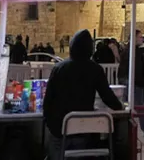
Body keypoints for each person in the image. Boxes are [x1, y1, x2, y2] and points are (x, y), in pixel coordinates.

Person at [42, 29, 124, 159]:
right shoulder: (95, 69)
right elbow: (107, 97)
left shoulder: (58, 69)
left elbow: (47, 102)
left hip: (59, 131)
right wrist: (121, 107)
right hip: (84, 132)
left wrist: (51, 125)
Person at [118, 30, 144, 143]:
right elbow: (136, 70)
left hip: (133, 84)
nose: (142, 39)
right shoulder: (132, 53)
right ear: (134, 38)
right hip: (135, 85)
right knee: (141, 110)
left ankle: (139, 134)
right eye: (140, 37)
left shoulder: (132, 51)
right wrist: (141, 83)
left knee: (135, 110)